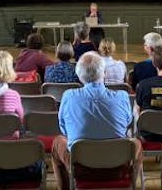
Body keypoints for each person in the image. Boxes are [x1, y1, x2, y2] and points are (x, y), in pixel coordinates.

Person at [52, 52, 139, 190]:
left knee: (58, 142)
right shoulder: (122, 97)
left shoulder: (68, 96)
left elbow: (63, 129)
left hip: (80, 168)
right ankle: (131, 183)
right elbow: (127, 123)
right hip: (116, 165)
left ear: (80, 76)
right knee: (136, 143)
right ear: (104, 73)